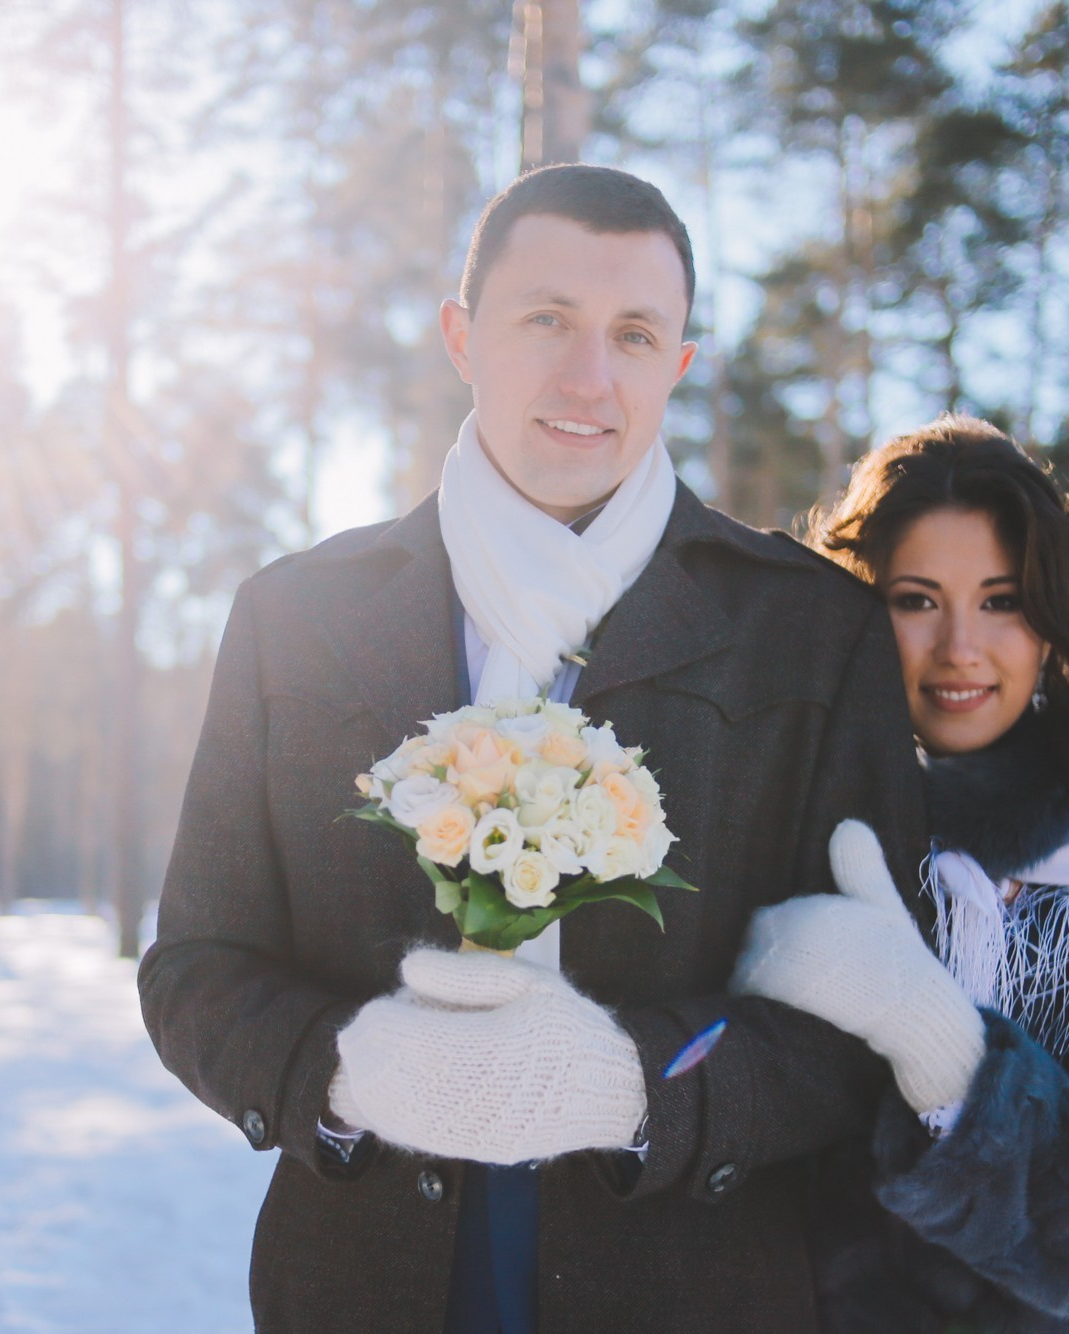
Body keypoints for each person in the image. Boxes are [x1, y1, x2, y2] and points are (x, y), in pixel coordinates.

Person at [138, 164, 928, 1332]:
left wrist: (636, 1088)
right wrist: (340, 1069)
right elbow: (197, 964)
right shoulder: (292, 619)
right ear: (462, 337)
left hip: (691, 1292)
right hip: (359, 1288)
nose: (587, 376)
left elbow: (851, 1033)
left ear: (679, 365)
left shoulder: (810, 634)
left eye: (633, 333)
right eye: (546, 318)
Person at [732, 415, 1069, 1332]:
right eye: (917, 600)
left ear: (1050, 620)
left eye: (999, 601)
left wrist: (940, 1044)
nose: (961, 646)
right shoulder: (773, 804)